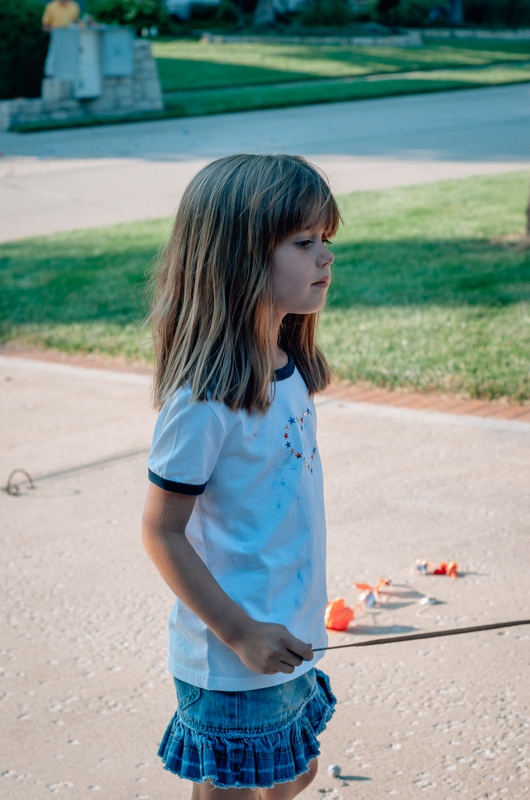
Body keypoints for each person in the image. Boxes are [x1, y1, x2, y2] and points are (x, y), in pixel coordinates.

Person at [142, 153, 340, 800]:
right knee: (232, 793)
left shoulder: (285, 364)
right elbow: (161, 532)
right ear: (240, 259)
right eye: (304, 243)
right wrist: (240, 632)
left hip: (290, 630)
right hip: (233, 655)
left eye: (326, 241)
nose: (325, 258)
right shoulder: (205, 401)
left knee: (296, 771)